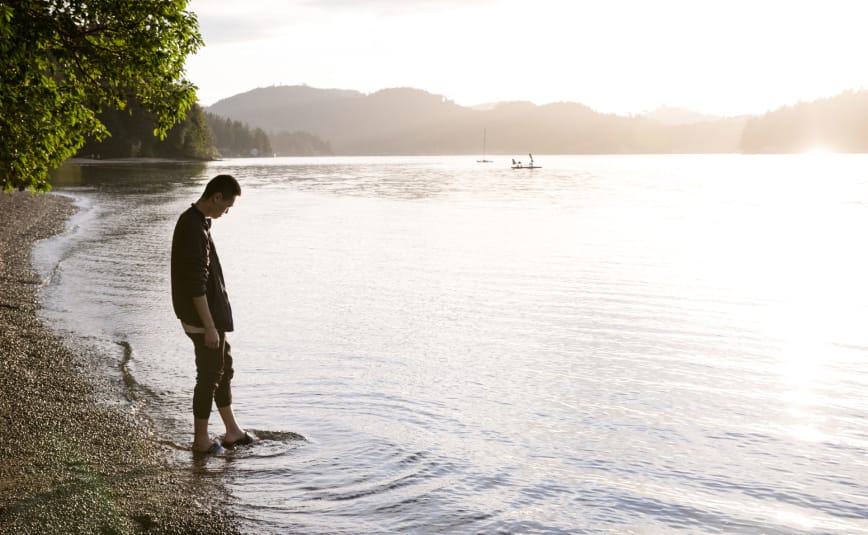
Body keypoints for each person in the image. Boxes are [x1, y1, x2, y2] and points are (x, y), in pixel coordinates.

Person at [171, 174, 254, 454]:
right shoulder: (192, 227)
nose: (226, 212)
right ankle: (201, 440)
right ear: (216, 197)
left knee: (223, 367)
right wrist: (208, 327)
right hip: (201, 319)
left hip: (210, 317)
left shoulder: (199, 223)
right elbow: (195, 283)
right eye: (227, 206)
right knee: (208, 374)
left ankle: (231, 430)